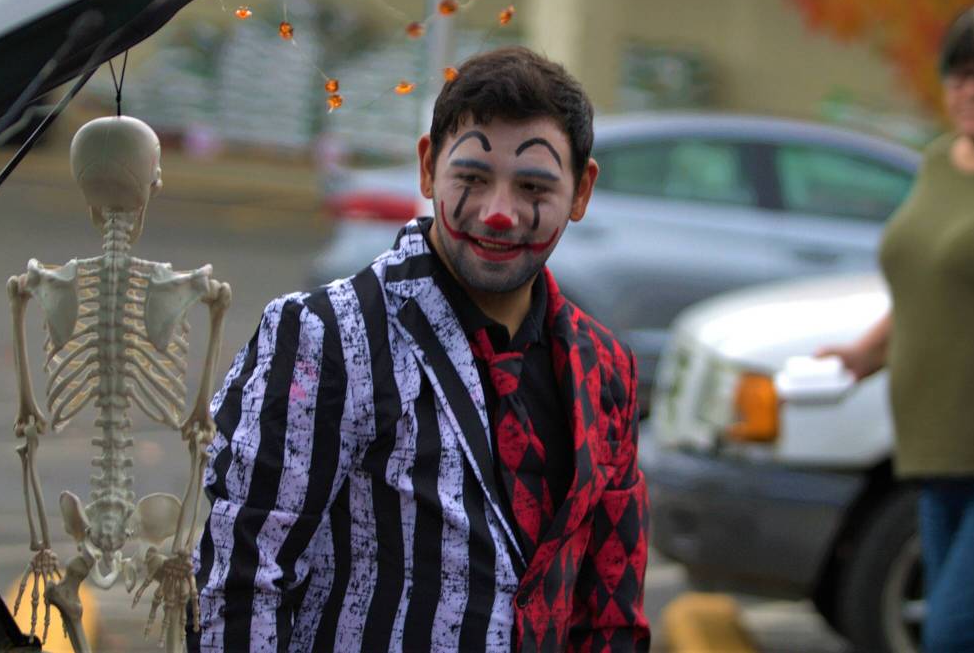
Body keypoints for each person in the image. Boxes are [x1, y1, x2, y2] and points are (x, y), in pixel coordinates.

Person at [188, 46, 650, 653]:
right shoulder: (325, 336)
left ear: (581, 192)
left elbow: (611, 605)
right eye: (473, 179)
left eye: (534, 185)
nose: (500, 213)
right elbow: (242, 582)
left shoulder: (604, 368)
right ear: (429, 169)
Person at [817, 0, 974, 653]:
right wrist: (865, 354)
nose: (971, 88)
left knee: (955, 633)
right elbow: (932, 285)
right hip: (933, 447)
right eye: (960, 72)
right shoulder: (939, 163)